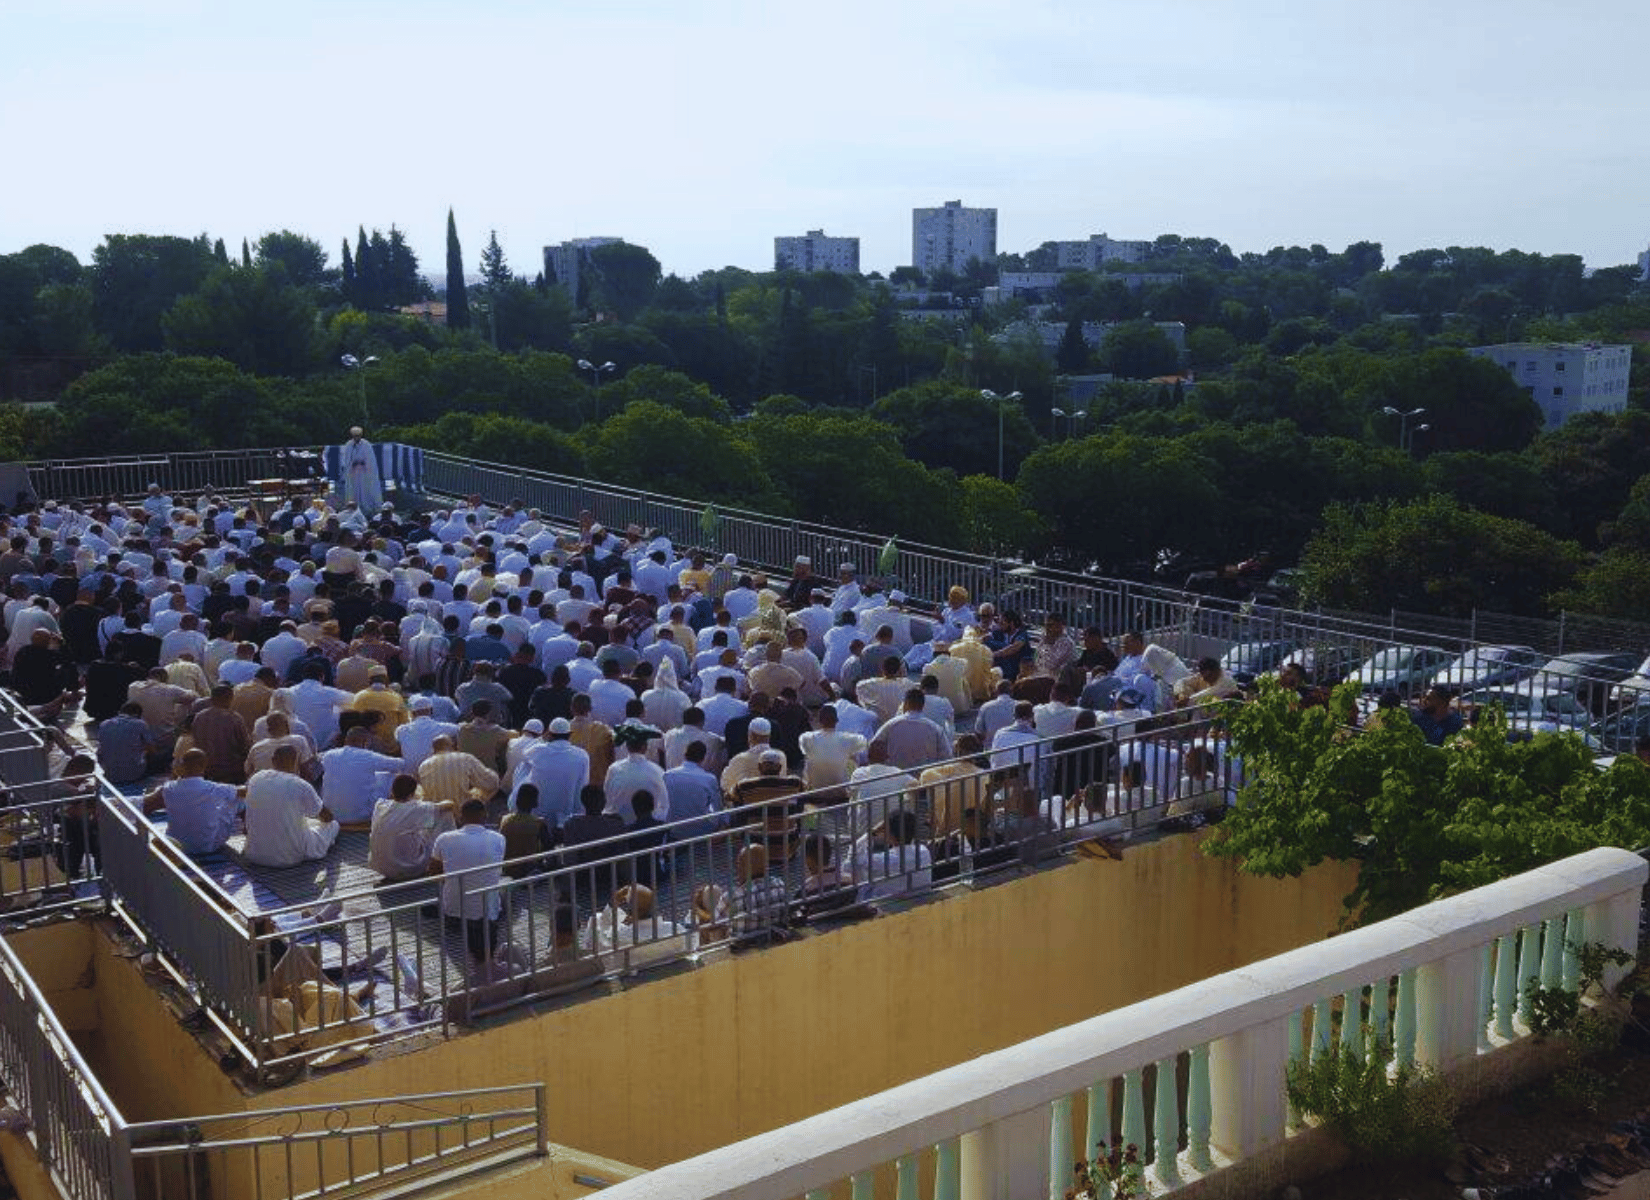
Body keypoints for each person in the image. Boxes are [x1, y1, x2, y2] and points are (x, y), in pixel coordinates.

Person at [429, 799, 507, 964]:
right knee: (504, 886)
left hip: (453, 912)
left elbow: (434, 872)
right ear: (485, 816)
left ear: (460, 817)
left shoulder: (444, 838)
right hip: (489, 913)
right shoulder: (498, 838)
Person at [243, 744, 339, 868]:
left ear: (273, 761)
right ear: (297, 762)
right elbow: (326, 817)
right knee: (333, 825)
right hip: (288, 858)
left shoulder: (255, 779)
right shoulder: (299, 784)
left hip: (254, 855)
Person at [142, 748, 242, 856]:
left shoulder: (168, 788)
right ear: (204, 767)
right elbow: (245, 791)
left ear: (183, 766)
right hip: (206, 848)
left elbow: (146, 803)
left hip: (176, 845)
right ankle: (250, 839)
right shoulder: (215, 788)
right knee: (238, 800)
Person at [368, 772, 455, 880]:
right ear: (411, 794)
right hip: (408, 869)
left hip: (381, 868)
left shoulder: (380, 805)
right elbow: (449, 804)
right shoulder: (417, 808)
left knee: (428, 818)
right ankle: (448, 856)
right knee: (444, 814)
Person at [318, 727, 404, 824]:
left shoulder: (328, 755)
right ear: (365, 741)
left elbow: (317, 758)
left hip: (332, 815)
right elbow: (400, 765)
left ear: (346, 740)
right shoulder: (368, 756)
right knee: (389, 776)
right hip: (361, 816)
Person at [850, 809, 932, 901]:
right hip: (921, 900)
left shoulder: (881, 860)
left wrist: (872, 832)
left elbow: (850, 861)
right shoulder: (924, 851)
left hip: (887, 906)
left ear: (889, 833)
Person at [869, 688, 951, 771]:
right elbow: (947, 755)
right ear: (922, 706)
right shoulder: (935, 728)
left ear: (906, 704)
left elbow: (874, 746)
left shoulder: (891, 725)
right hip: (926, 779)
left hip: (896, 777)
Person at [97, 701, 166, 784]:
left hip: (110, 773)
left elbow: (101, 749)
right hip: (133, 774)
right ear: (138, 715)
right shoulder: (140, 724)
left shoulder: (104, 724)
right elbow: (152, 750)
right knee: (166, 754)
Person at [499, 784, 555, 878]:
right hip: (529, 871)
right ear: (535, 802)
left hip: (508, 870)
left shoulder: (505, 820)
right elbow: (549, 848)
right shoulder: (539, 823)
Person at [341, 427, 384, 511]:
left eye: (358, 436)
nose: (356, 438)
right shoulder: (349, 445)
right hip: (353, 472)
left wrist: (362, 462)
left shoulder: (366, 444)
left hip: (364, 472)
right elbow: (346, 459)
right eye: (354, 436)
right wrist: (352, 463)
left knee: (365, 489)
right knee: (354, 489)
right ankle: (354, 505)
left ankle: (366, 505)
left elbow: (370, 460)